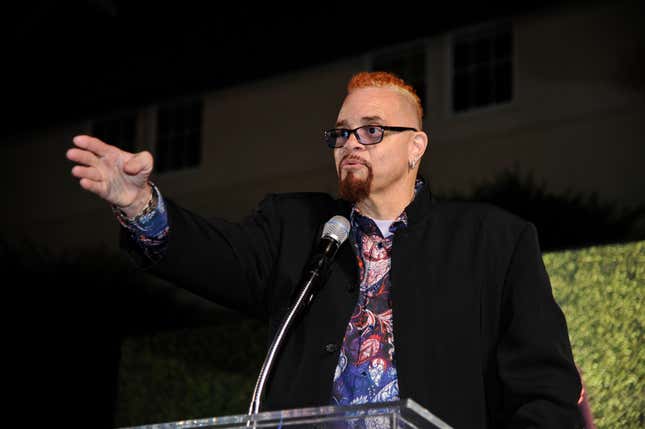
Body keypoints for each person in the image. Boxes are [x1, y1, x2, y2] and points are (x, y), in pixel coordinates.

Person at [66, 71, 583, 428]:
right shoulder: (298, 228)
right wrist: (139, 205)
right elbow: (210, 254)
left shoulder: (493, 241)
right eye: (341, 134)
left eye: (372, 131)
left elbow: (544, 389)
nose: (351, 143)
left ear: (416, 147)